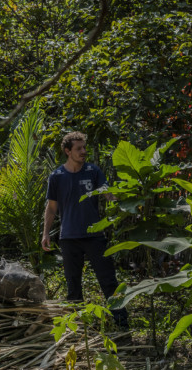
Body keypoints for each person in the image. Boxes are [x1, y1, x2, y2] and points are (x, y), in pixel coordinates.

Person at [41, 131, 128, 328]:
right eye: (78, 148)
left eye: (84, 147)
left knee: (109, 282)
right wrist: (46, 233)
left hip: (95, 236)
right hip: (69, 238)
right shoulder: (56, 176)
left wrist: (123, 205)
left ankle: (123, 327)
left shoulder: (93, 171)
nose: (83, 151)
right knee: (73, 285)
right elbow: (52, 208)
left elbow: (108, 195)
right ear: (67, 151)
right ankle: (78, 329)